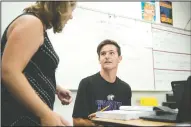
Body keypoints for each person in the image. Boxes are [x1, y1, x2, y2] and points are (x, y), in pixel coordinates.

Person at [1, 1, 76, 126]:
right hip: (19, 117)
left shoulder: (35, 24)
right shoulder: (32, 23)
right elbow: (9, 72)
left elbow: (26, 68)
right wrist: (45, 114)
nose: (71, 16)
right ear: (60, 6)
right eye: (71, 9)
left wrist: (55, 87)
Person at [72, 39, 132, 126]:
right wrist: (96, 124)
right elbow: (76, 121)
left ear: (119, 58)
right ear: (99, 59)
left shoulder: (125, 89)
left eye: (111, 53)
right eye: (103, 54)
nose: (107, 56)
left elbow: (128, 121)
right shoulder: (87, 84)